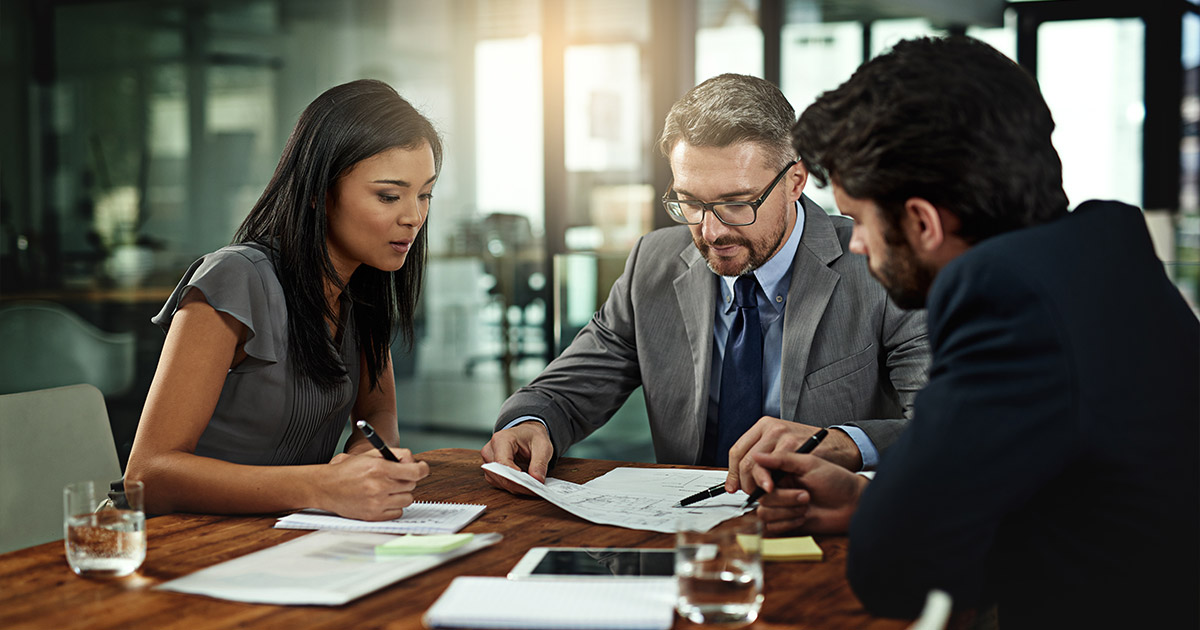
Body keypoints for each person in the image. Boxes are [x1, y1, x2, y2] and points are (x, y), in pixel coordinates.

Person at [742, 36, 1199, 627]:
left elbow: (896, 571)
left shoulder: (1005, 295)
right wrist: (866, 499)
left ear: (923, 222)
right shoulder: (1103, 258)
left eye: (859, 219)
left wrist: (888, 516)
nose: (855, 243)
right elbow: (1071, 510)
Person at [482, 73, 929, 494]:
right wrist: (532, 423)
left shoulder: (879, 266)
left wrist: (844, 442)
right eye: (690, 203)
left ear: (795, 181)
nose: (710, 232)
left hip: (825, 533)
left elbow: (947, 425)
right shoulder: (652, 264)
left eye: (736, 203)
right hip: (685, 536)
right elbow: (566, 391)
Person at [124, 79, 437, 520]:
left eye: (425, 194)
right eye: (389, 195)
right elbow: (148, 476)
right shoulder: (235, 279)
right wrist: (323, 486)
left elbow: (378, 410)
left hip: (279, 538)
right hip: (175, 542)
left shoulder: (364, 286)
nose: (413, 217)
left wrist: (371, 458)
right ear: (317, 193)